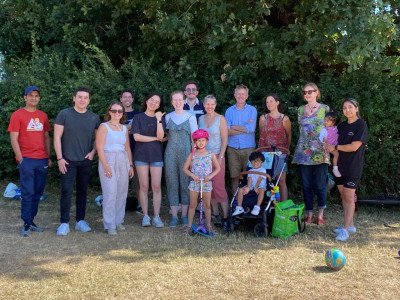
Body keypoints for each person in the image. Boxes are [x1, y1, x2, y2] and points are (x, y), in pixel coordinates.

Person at [54, 87, 101, 236]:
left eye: (85, 97)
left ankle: (80, 221)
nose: (82, 100)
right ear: (74, 98)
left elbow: (99, 139)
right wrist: (60, 158)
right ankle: (64, 223)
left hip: (85, 161)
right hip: (67, 160)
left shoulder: (94, 117)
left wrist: (93, 152)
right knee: (66, 191)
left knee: (82, 191)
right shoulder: (64, 114)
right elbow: (56, 137)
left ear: (89, 100)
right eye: (80, 97)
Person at [8, 86, 52, 237]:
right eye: (31, 95)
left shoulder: (43, 116)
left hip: (41, 159)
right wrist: (19, 157)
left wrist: (49, 156)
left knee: (37, 192)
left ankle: (31, 221)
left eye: (37, 96)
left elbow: (46, 137)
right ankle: (26, 222)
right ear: (25, 97)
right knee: (27, 192)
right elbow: (13, 138)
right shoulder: (17, 115)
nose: (34, 98)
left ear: (39, 98)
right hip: (26, 159)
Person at [326, 98, 368, 241]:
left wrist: (336, 147)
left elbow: (354, 146)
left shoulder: (361, 125)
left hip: (353, 167)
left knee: (349, 197)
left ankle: (345, 230)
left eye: (350, 107)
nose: (347, 110)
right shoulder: (341, 126)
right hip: (340, 167)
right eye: (344, 108)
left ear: (356, 108)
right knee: (344, 196)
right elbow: (332, 143)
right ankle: (349, 225)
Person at [292, 82, 330, 225]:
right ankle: (309, 214)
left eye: (310, 91)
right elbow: (302, 130)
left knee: (320, 185)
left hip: (321, 151)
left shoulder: (325, 108)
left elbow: (330, 128)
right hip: (304, 152)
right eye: (305, 92)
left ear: (316, 93)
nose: (307, 94)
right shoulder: (301, 110)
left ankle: (320, 215)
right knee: (306, 185)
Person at [96, 101, 134, 235]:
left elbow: (127, 148)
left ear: (122, 113)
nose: (117, 113)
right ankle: (109, 224)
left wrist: (130, 165)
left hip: (122, 159)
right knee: (110, 192)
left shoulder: (124, 128)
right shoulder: (104, 126)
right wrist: (106, 165)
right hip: (108, 158)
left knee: (122, 192)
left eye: (119, 111)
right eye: (114, 111)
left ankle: (118, 220)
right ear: (109, 112)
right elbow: (99, 147)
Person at [131, 93, 166, 228]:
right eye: (152, 100)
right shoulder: (138, 117)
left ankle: (156, 216)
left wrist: (158, 120)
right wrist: (154, 139)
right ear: (147, 101)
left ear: (159, 105)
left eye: (157, 102)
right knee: (144, 186)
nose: (154, 103)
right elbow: (137, 137)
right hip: (141, 156)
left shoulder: (161, 118)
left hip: (156, 156)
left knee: (156, 187)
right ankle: (145, 216)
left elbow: (161, 136)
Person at [165, 90, 198, 227]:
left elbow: (194, 139)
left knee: (185, 184)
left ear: (184, 101)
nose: (177, 102)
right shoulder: (167, 117)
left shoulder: (191, 117)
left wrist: (193, 158)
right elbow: (164, 136)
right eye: (175, 100)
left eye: (180, 99)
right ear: (172, 102)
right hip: (170, 153)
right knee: (171, 182)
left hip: (186, 154)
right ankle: (174, 215)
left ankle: (184, 215)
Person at [198, 95, 229, 227]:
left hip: (217, 156)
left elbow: (225, 140)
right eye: (207, 104)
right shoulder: (200, 118)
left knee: (219, 186)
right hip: (203, 157)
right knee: (208, 187)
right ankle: (215, 214)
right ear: (204, 105)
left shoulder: (221, 119)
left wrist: (221, 157)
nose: (209, 107)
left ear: (215, 105)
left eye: (212, 104)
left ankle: (227, 216)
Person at [182, 129, 221, 235]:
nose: (201, 142)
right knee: (193, 205)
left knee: (207, 205)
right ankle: (189, 226)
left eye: (203, 140)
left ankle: (208, 225)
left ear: (207, 141)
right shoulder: (192, 155)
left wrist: (210, 176)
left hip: (207, 183)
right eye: (198, 140)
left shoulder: (210, 154)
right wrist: (193, 175)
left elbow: (218, 168)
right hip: (195, 183)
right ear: (195, 142)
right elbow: (185, 169)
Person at [258, 93, 292, 201]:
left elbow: (289, 135)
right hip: (265, 154)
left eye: (271, 101)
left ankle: (283, 208)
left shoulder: (284, 119)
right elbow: (261, 134)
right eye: (267, 102)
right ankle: (268, 207)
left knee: (281, 181)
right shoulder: (263, 118)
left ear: (277, 102)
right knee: (267, 181)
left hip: (280, 153)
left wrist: (286, 150)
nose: (269, 104)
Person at [225, 84, 257, 195]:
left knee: (249, 177)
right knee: (234, 177)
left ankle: (248, 203)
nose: (241, 96)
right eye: (238, 94)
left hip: (248, 148)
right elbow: (227, 130)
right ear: (235, 95)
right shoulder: (229, 111)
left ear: (247, 96)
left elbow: (251, 128)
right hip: (232, 148)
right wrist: (244, 128)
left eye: (243, 94)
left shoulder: (252, 110)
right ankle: (235, 204)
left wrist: (234, 126)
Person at [120, 89, 141, 212]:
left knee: (137, 181)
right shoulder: (117, 112)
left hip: (136, 150)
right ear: (121, 99)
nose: (127, 99)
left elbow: (139, 130)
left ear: (132, 99)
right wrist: (129, 128)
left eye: (129, 97)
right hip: (120, 152)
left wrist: (125, 128)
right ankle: (119, 204)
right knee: (121, 180)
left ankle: (139, 204)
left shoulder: (138, 114)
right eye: (125, 97)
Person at [232, 152, 267, 216]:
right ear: (251, 162)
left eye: (257, 161)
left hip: (260, 185)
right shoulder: (250, 170)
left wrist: (256, 187)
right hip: (252, 185)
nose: (255, 163)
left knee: (261, 190)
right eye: (253, 161)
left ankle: (257, 207)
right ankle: (239, 207)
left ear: (262, 162)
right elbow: (250, 179)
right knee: (240, 190)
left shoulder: (263, 170)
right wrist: (248, 187)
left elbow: (260, 179)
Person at [319, 111, 341, 177]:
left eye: (327, 121)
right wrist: (323, 140)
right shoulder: (324, 129)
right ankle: (335, 168)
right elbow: (320, 137)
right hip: (327, 146)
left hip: (334, 145)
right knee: (336, 154)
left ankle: (336, 167)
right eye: (324, 120)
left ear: (333, 123)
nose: (325, 122)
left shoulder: (335, 128)